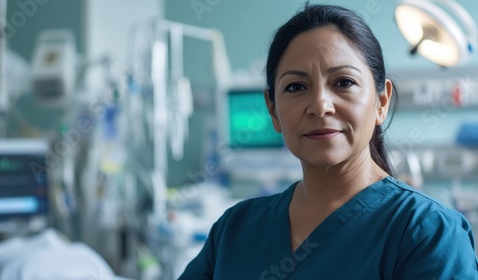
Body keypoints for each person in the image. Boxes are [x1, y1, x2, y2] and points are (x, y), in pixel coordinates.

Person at [179, 3, 478, 279]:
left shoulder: (428, 233)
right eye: (296, 87)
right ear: (273, 111)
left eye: (343, 83)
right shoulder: (235, 230)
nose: (320, 105)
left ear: (381, 102)